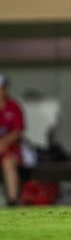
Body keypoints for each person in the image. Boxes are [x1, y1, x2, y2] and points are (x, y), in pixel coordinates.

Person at [0, 74, 24, 206]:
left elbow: (18, 130)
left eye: (1, 88)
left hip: (10, 149)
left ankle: (12, 201)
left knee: (8, 162)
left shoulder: (13, 107)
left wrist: (3, 143)